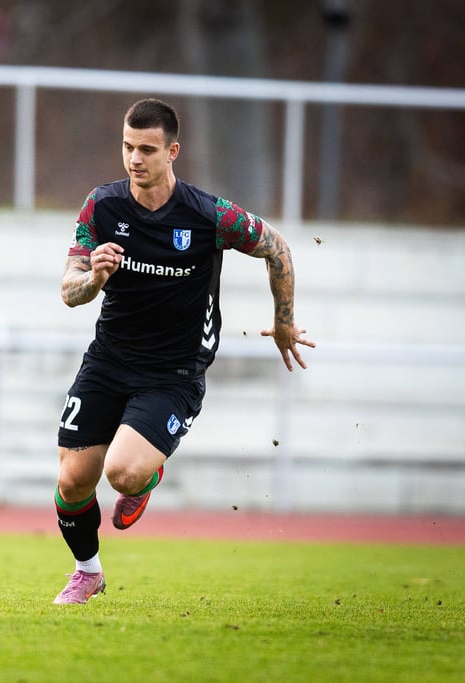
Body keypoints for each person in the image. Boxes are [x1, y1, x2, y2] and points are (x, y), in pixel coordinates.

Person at [52, 98, 315, 605]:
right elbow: (69, 290)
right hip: (108, 359)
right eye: (128, 147)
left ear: (173, 151)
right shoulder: (101, 207)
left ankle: (146, 476)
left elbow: (277, 247)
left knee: (123, 472)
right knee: (72, 481)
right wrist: (95, 278)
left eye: (147, 149)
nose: (134, 159)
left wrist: (284, 322)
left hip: (172, 371)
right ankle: (88, 572)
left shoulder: (208, 215)